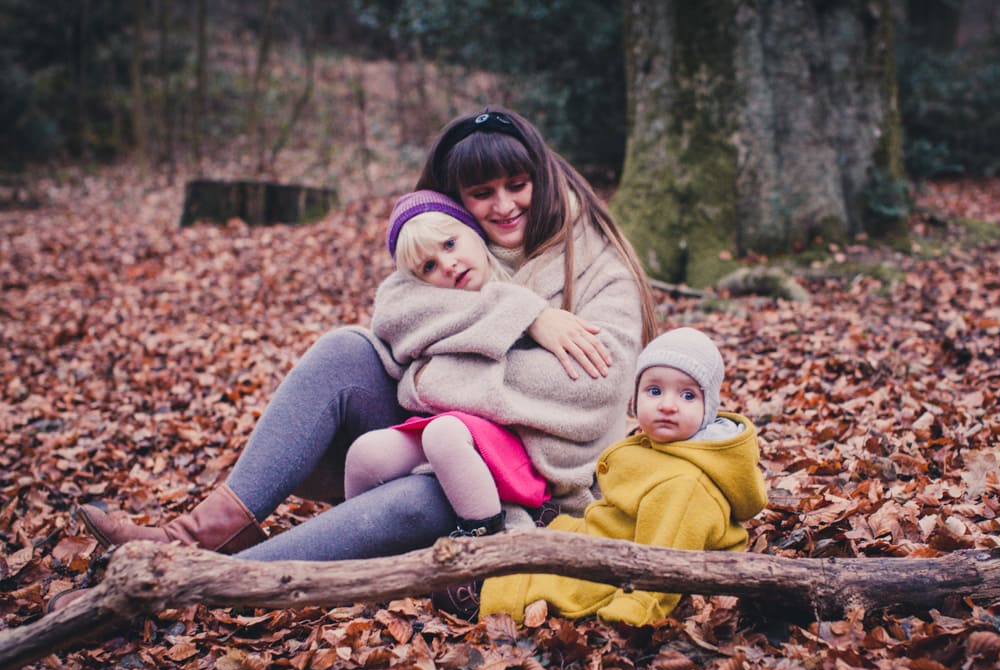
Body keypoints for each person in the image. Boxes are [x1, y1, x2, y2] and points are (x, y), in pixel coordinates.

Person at [67, 105, 656, 579]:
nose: (503, 206)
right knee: (344, 350)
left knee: (425, 498)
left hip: (530, 481)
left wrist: (435, 378)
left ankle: (205, 580)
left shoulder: (597, 262)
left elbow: (596, 387)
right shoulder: (453, 245)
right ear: (457, 201)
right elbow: (394, 312)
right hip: (432, 434)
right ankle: (198, 534)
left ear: (540, 179)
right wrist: (526, 317)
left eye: (517, 185)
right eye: (482, 193)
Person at [479, 327, 769, 628]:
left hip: (633, 564)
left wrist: (632, 613)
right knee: (552, 534)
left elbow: (664, 561)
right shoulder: (665, 448)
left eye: (687, 395)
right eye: (654, 391)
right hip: (616, 534)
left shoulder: (684, 486)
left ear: (708, 409)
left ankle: (484, 593)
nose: (667, 405)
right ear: (635, 397)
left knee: (544, 583)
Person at [344, 189, 551, 538]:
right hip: (449, 424)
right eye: (429, 266)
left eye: (450, 244)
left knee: (444, 434)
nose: (447, 264)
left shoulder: (521, 291)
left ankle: (484, 537)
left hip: (513, 442)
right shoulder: (434, 315)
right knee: (366, 453)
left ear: (473, 230)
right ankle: (358, 539)